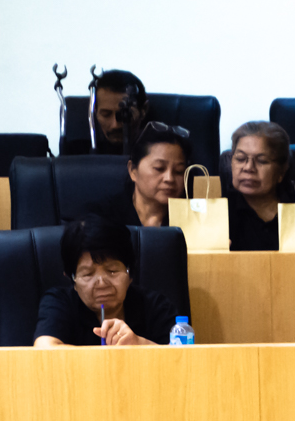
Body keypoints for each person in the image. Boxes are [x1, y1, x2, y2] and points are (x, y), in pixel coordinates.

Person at [33, 215, 176, 347]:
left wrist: (138, 344)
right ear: (72, 280)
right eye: (88, 274)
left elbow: (180, 356)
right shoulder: (59, 302)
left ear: (130, 273)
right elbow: (45, 349)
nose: (101, 283)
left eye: (112, 271)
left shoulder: (155, 306)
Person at [89, 122, 190, 228]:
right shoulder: (102, 217)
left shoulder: (195, 218)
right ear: (133, 170)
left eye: (179, 171)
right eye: (159, 168)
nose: (169, 178)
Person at [225, 121, 293, 251]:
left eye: (261, 161)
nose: (248, 168)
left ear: (281, 171)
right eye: (240, 159)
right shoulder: (218, 211)